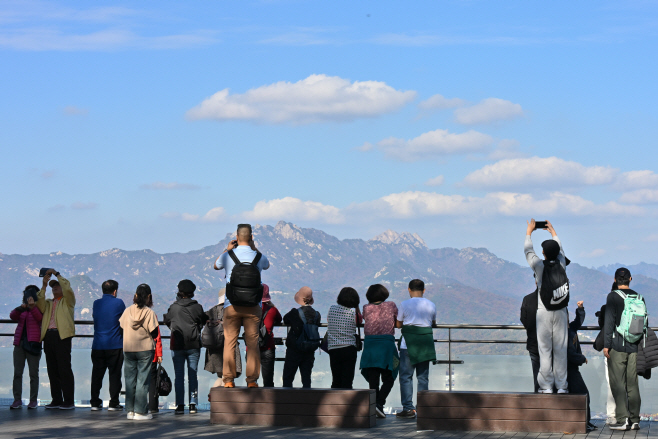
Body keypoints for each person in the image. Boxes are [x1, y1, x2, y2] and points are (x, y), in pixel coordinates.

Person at [213, 224, 270, 388]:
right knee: (252, 343)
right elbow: (267, 265)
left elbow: (216, 266)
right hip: (253, 306)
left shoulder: (228, 255)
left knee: (230, 341)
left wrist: (227, 249)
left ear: (236, 238)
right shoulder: (259, 257)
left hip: (232, 305)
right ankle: (252, 380)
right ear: (251, 237)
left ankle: (229, 380)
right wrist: (254, 248)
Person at [524, 219, 569, 394]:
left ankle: (546, 386)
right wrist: (553, 232)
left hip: (543, 312)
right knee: (560, 350)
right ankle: (562, 386)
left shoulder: (540, 267)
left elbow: (528, 251)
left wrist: (529, 232)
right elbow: (560, 250)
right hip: (561, 312)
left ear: (543, 253)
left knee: (545, 350)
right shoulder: (562, 264)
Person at [604, 268, 647, 431]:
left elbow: (609, 322)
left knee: (618, 383)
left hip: (617, 346)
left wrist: (606, 344)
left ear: (615, 279)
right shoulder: (639, 297)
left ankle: (623, 420)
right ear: (630, 278)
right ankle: (635, 420)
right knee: (632, 384)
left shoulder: (613, 296)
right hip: (635, 346)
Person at [163, 279, 207, 415]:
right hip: (194, 344)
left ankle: (180, 405)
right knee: (193, 374)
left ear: (179, 292)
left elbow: (167, 320)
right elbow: (203, 320)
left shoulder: (174, 307)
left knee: (179, 376)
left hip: (177, 345)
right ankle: (193, 404)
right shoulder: (197, 307)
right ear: (192, 292)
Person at [395, 279, 436, 419]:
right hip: (425, 345)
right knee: (423, 377)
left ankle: (408, 409)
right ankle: (423, 408)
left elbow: (399, 324)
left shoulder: (404, 304)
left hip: (408, 345)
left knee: (406, 377)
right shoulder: (431, 304)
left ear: (409, 289)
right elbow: (433, 322)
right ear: (424, 290)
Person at [37, 269, 76, 410]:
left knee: (64, 368)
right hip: (48, 336)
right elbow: (38, 303)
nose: (55, 287)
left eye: (57, 285)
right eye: (53, 286)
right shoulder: (47, 303)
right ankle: (57, 399)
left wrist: (57, 275)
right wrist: (44, 285)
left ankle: (69, 401)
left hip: (62, 336)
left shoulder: (68, 301)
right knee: (52, 369)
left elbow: (68, 288)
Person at [120, 284, 159, 421]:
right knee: (143, 380)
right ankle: (140, 412)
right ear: (149, 297)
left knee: (130, 380)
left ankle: (130, 411)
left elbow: (121, 327)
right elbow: (154, 332)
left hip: (128, 348)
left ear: (135, 296)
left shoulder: (127, 311)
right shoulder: (149, 313)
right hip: (145, 349)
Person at [360, 284, 399, 419]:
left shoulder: (366, 308)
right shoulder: (391, 305)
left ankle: (375, 405)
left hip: (370, 345)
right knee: (390, 376)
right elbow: (397, 320)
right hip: (387, 346)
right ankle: (379, 403)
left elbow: (365, 319)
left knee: (373, 378)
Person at [90, 279, 126, 411]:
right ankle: (114, 402)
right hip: (114, 344)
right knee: (115, 375)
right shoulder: (119, 303)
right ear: (115, 291)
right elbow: (124, 319)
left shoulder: (96, 303)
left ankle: (94, 402)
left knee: (97, 374)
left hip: (98, 344)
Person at [10, 285, 43, 409]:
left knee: (33, 374)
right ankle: (17, 400)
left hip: (34, 344)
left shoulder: (40, 307)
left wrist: (33, 306)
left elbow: (40, 318)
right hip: (20, 343)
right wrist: (21, 308)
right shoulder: (22, 309)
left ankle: (33, 400)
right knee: (17, 373)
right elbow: (12, 316)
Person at [566, 300, 596, 432]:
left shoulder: (569, 328)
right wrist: (582, 358)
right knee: (583, 394)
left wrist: (580, 309)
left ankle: (584, 421)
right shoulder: (565, 332)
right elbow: (569, 354)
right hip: (569, 369)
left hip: (570, 368)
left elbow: (578, 322)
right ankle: (584, 422)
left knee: (578, 395)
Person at [282, 287, 321, 388]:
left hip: (294, 349)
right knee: (306, 377)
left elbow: (285, 319)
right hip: (310, 349)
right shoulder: (317, 315)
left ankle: (286, 401)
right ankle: (306, 400)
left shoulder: (295, 313)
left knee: (288, 377)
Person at [204, 289, 243, 389]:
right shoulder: (233, 310)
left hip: (215, 347)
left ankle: (213, 396)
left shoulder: (212, 311)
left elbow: (202, 319)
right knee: (227, 378)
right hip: (229, 345)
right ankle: (219, 399)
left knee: (220, 375)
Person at [327, 287, 362, 389]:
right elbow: (360, 320)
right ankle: (346, 404)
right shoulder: (353, 314)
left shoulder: (332, 309)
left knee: (336, 380)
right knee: (347, 381)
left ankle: (333, 403)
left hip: (333, 348)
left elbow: (330, 321)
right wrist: (357, 306)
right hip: (348, 348)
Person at [260, 284, 282, 387]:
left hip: (251, 347)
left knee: (251, 380)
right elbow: (279, 319)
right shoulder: (272, 310)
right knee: (268, 381)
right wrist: (272, 305)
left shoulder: (250, 310)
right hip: (268, 346)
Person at [520, 285, 540, 392]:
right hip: (550, 343)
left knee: (537, 374)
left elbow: (523, 318)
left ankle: (537, 398)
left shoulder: (527, 299)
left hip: (533, 342)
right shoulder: (553, 299)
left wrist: (532, 329)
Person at [148, 324, 163, 414]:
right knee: (152, 380)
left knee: (137, 380)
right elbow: (157, 337)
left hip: (134, 351)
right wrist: (159, 354)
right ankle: (152, 406)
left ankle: (136, 406)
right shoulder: (151, 315)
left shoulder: (129, 313)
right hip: (150, 352)